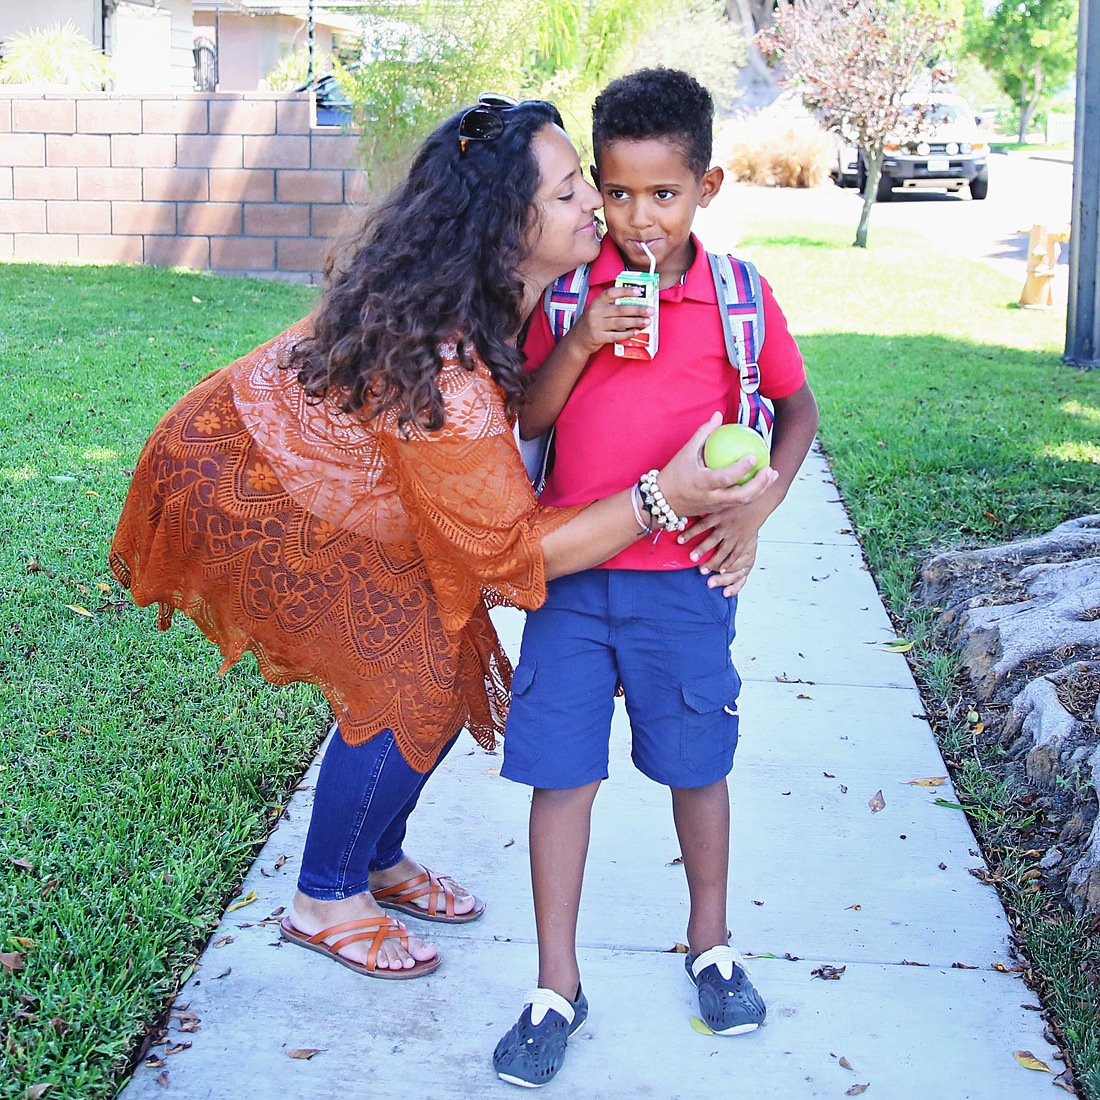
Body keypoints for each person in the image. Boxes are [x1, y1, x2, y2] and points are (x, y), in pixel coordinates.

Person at [109, 95, 775, 982]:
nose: (595, 207)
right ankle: (326, 894)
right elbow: (511, 558)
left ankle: (377, 860)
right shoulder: (445, 361)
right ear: (507, 221)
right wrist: (664, 497)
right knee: (411, 668)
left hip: (370, 491)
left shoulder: (508, 294)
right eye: (574, 190)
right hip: (257, 483)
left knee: (447, 652)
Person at [493, 69, 820, 1084]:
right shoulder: (564, 294)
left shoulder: (735, 297)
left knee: (696, 764)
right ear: (597, 184)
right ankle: (555, 981)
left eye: (663, 194)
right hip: (573, 576)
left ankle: (710, 942)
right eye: (619, 192)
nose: (638, 217)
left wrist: (759, 504)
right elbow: (530, 420)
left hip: (685, 580)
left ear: (706, 185)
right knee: (560, 772)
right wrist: (585, 339)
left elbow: (796, 410)